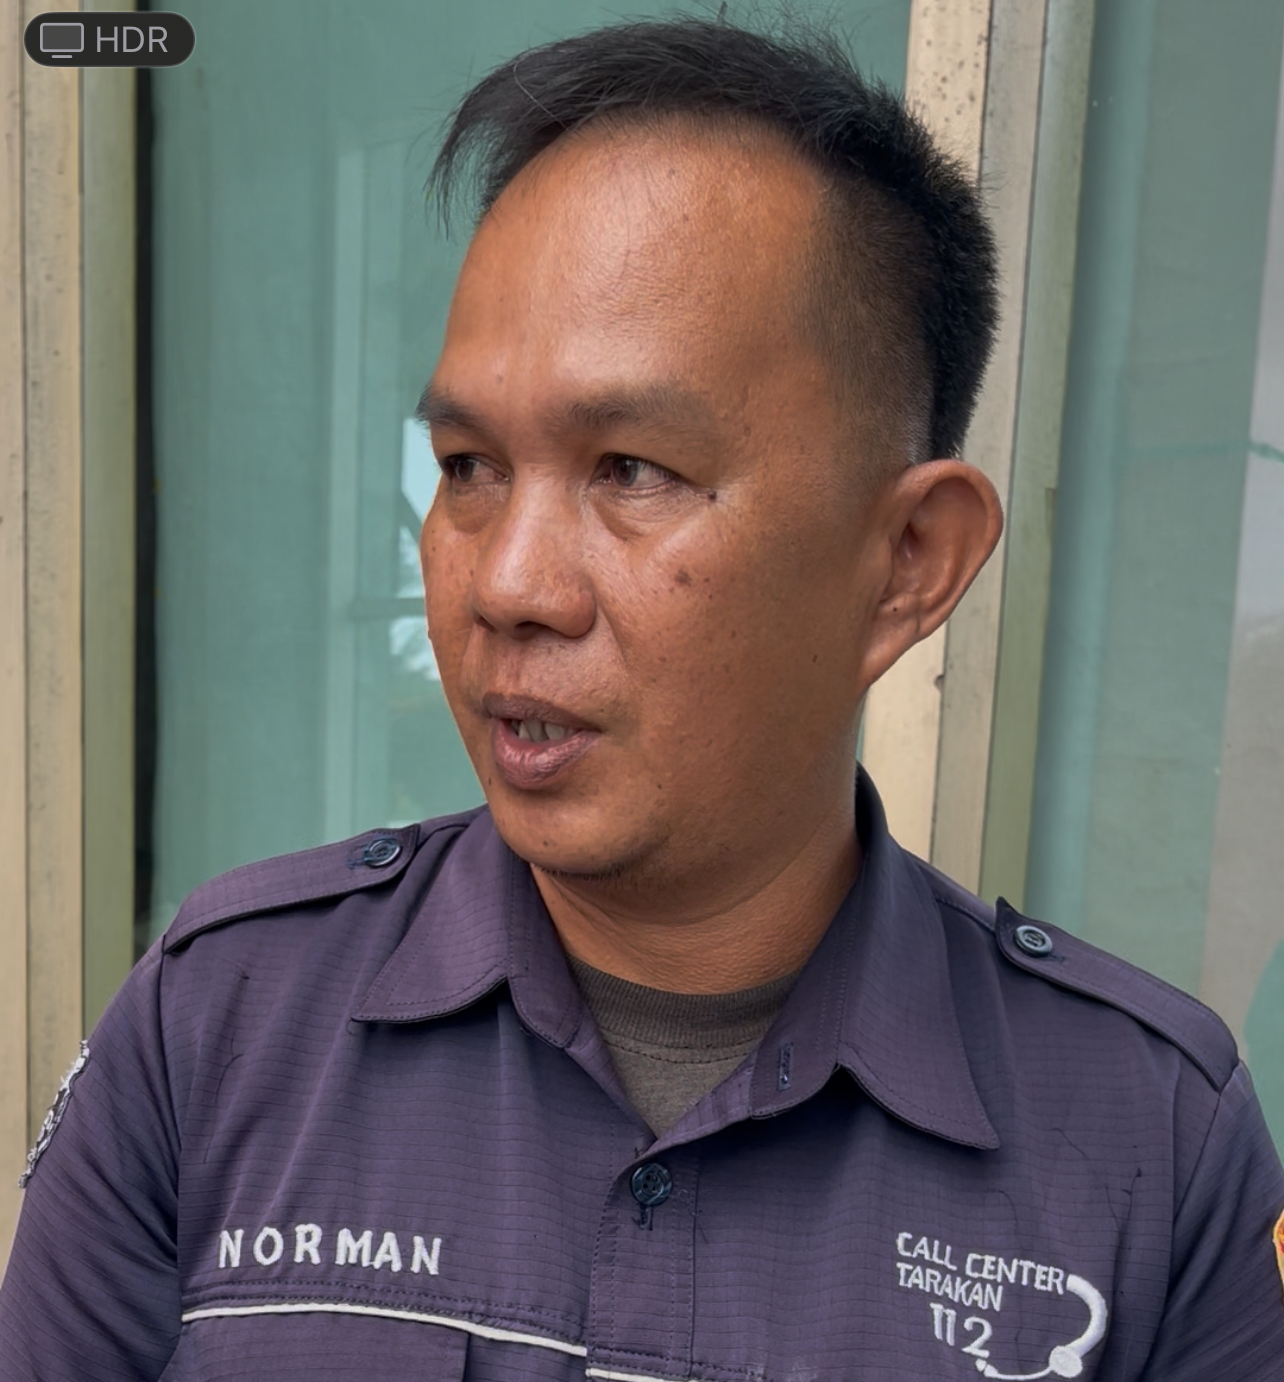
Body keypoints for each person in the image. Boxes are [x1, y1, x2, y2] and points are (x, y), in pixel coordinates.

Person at [2, 15, 1282, 1381]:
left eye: (631, 470)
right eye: (467, 466)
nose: (507, 583)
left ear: (909, 560)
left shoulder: (1150, 1149)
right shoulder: (220, 1025)